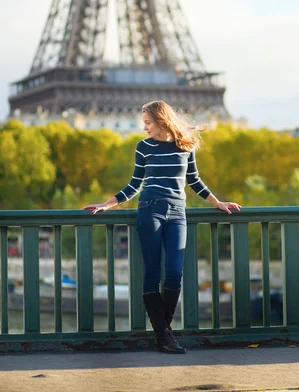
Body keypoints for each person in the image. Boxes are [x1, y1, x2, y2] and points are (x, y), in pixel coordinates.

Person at [83, 100, 241, 354]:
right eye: (143, 123)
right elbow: (134, 185)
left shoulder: (185, 146)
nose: (144, 128)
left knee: (174, 273)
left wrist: (218, 202)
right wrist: (106, 205)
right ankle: (165, 337)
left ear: (161, 120)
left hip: (178, 212)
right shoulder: (143, 147)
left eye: (147, 122)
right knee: (152, 273)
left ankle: (162, 333)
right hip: (150, 210)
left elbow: (194, 181)